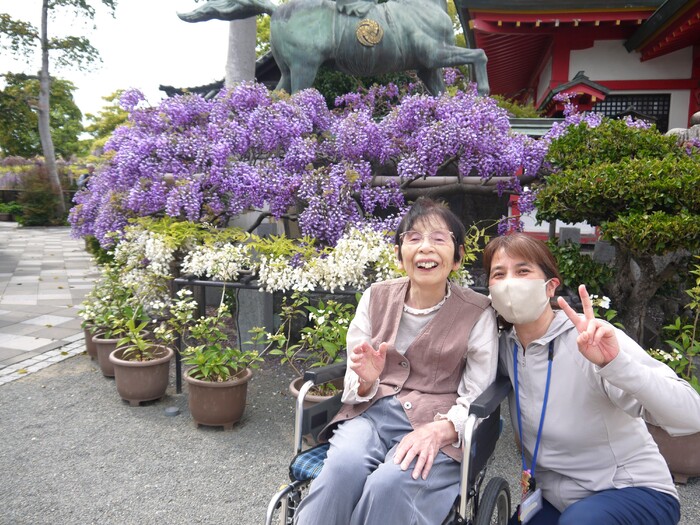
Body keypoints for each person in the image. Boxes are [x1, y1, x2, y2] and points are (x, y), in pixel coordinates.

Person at [295, 197, 499, 525]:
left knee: (388, 485)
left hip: (435, 421)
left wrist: (443, 430)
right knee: (342, 470)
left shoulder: (477, 311)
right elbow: (355, 375)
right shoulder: (375, 296)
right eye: (414, 238)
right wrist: (366, 380)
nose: (425, 247)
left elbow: (477, 391)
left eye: (439, 238)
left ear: (458, 257)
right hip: (370, 416)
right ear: (399, 255)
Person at [483, 233, 700, 525]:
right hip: (555, 497)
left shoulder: (590, 340)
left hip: (630, 490)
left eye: (523, 271)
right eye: (499, 274)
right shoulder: (503, 347)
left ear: (550, 286)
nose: (510, 283)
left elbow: (691, 415)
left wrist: (616, 364)